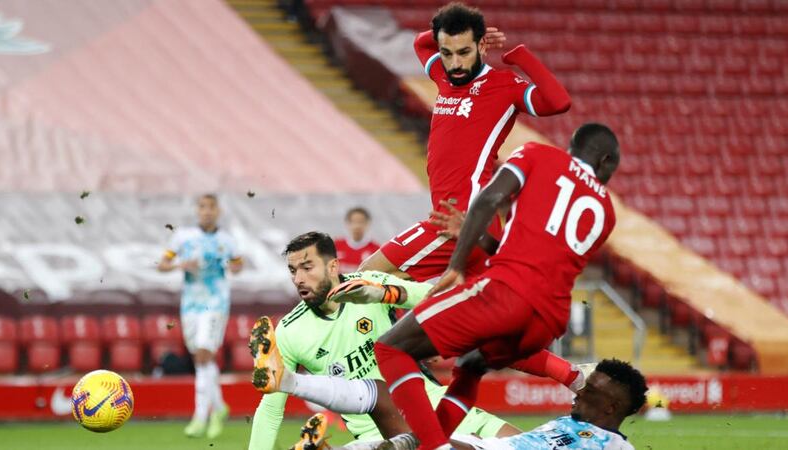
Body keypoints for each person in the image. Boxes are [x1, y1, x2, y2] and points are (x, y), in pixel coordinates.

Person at [374, 123, 621, 450]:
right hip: (546, 324)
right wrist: (478, 235)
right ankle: (428, 443)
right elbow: (536, 258)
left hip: (504, 293)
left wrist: (457, 263)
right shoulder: (606, 213)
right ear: (605, 161)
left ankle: (433, 447)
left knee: (391, 348)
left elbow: (488, 197)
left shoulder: (537, 154)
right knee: (471, 366)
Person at [247, 232, 523, 450]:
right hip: (377, 431)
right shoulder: (289, 331)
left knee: (526, 444)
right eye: (293, 271)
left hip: (434, 403)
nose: (299, 279)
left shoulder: (368, 284)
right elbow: (270, 410)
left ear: (333, 266)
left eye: (307, 268)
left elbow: (432, 297)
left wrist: (385, 293)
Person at [360, 2, 571, 282]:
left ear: (482, 47)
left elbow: (559, 102)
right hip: (458, 221)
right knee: (403, 294)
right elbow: (421, 44)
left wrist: (520, 57)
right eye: (447, 53)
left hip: (462, 220)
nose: (456, 63)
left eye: (464, 52)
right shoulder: (444, 77)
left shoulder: (504, 86)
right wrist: (439, 35)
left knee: (364, 278)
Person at [292, 359, 647, 450]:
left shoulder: (615, 446)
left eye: (590, 391)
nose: (578, 393)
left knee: (385, 402)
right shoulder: (570, 423)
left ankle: (287, 381)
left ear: (612, 407)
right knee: (395, 436)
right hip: (481, 446)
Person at [157, 194, 243, 438]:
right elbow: (162, 264)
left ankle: (199, 416)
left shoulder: (227, 240)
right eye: (203, 207)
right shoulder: (183, 237)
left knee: (204, 354)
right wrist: (179, 266)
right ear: (197, 210)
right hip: (191, 304)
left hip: (216, 302)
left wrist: (234, 266)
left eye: (211, 207)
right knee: (200, 358)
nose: (207, 212)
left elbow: (238, 265)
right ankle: (218, 407)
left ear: (219, 211)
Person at [335, 207, 379, 274]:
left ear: (367, 224)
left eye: (361, 222)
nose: (357, 226)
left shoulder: (376, 250)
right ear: (347, 224)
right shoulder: (336, 245)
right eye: (353, 222)